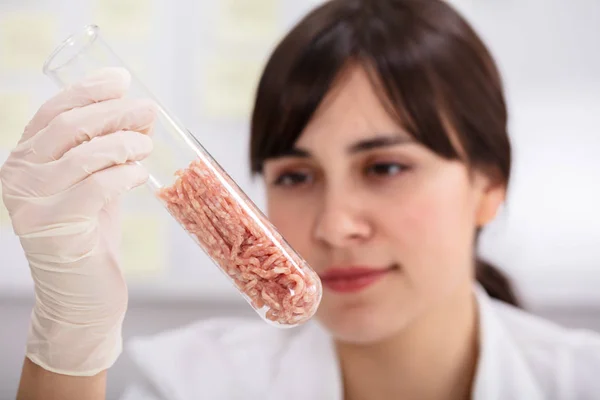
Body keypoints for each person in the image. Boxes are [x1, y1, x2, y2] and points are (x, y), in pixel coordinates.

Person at [3, 0, 600, 399]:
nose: (336, 227)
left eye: (386, 167)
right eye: (295, 175)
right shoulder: (189, 384)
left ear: (489, 187)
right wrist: (69, 344)